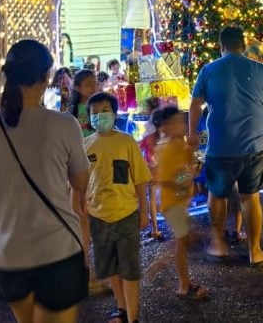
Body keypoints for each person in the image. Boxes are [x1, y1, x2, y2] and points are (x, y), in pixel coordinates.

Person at [0, 40, 90, 323]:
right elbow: (81, 182)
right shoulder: (64, 125)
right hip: (57, 250)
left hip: (7, 255)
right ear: (47, 76)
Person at [188, 26, 263, 267]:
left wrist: (191, 134)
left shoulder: (208, 70)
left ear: (220, 46)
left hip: (220, 146)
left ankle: (218, 244)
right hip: (254, 145)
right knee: (250, 197)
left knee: (217, 194)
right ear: (243, 46)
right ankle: (255, 251)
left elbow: (195, 105)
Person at [77, 92, 151, 323]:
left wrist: (144, 211)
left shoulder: (127, 141)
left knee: (129, 268)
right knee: (111, 269)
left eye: (105, 111)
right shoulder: (85, 145)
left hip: (127, 212)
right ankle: (122, 309)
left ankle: (134, 317)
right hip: (98, 216)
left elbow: (140, 179)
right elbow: (80, 184)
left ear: (115, 113)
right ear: (89, 117)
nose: (100, 116)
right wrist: (82, 212)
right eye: (95, 112)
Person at [153, 106, 210, 302]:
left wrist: (192, 155)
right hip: (173, 202)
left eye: (182, 121)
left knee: (183, 240)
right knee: (181, 240)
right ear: (165, 127)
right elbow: (170, 178)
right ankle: (184, 285)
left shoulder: (178, 145)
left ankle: (183, 280)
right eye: (176, 122)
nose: (181, 125)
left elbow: (188, 169)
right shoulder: (170, 147)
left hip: (178, 201)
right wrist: (186, 181)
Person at [138, 97, 164, 240]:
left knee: (152, 199)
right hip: (163, 171)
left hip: (150, 171)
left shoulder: (148, 136)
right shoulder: (166, 137)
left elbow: (138, 146)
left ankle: (155, 229)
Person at [68, 69, 98, 137]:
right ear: (77, 88)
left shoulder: (99, 106)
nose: (94, 87)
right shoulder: (72, 109)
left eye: (95, 83)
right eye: (88, 84)